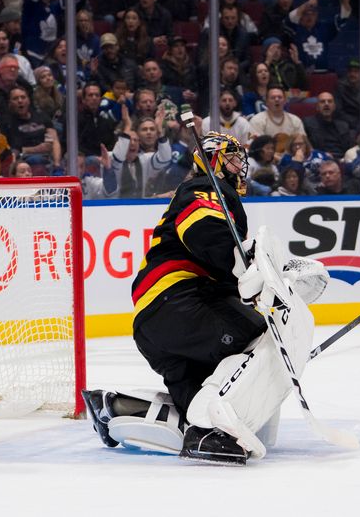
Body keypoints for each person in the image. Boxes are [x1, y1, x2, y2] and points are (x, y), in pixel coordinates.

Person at [83, 131, 326, 465]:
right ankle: (212, 431)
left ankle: (116, 407)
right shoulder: (207, 188)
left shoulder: (208, 193)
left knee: (194, 410)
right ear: (213, 160)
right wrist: (252, 263)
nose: (241, 167)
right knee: (264, 336)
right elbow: (207, 234)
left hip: (160, 321)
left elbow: (227, 277)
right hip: (183, 304)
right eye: (233, 158)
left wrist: (261, 279)